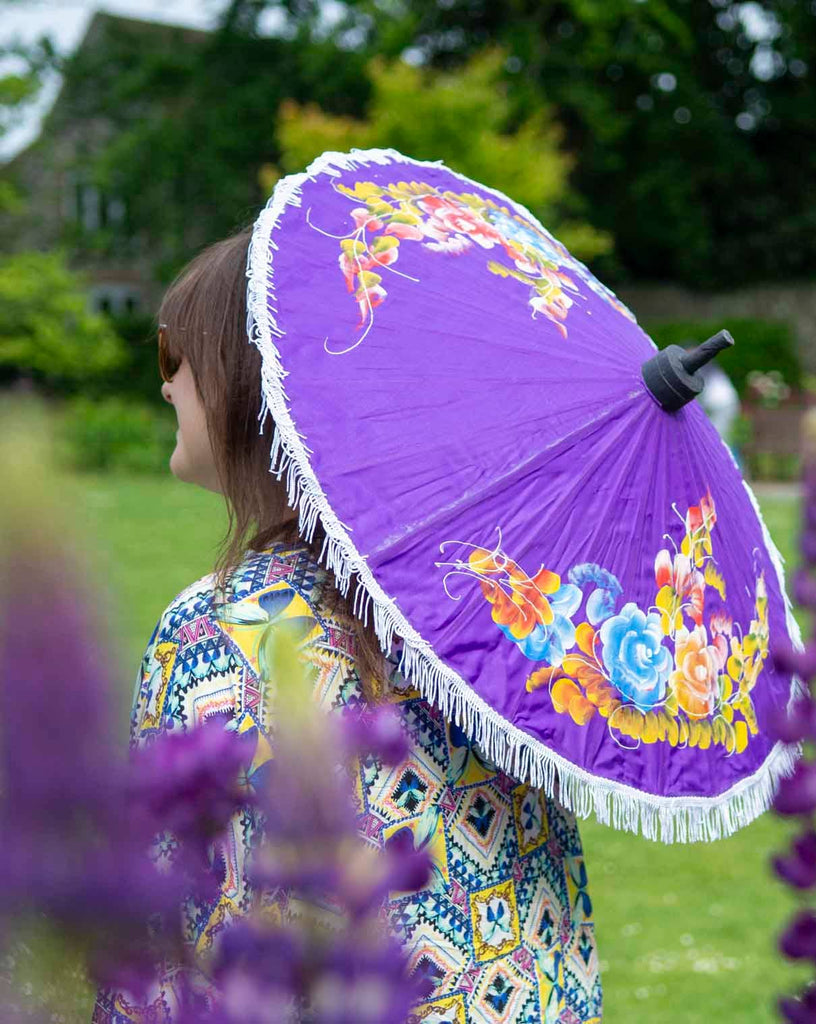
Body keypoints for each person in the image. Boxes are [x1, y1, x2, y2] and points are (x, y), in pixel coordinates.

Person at [92, 228, 602, 1023]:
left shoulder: (218, 631)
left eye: (173, 356)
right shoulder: (497, 612)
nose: (165, 387)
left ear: (245, 376)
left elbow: (170, 941)